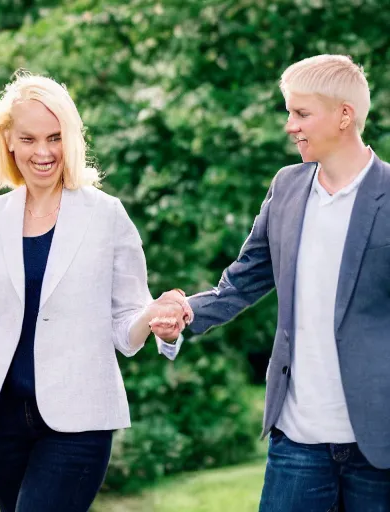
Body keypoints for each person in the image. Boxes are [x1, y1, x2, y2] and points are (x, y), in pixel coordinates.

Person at [0, 72, 189, 512]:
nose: (43, 152)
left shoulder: (106, 215)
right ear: (8, 142)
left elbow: (126, 321)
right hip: (2, 424)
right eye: (30, 138)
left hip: (79, 421)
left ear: (70, 140)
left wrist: (157, 321)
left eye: (54, 138)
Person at [152, 55, 390, 511]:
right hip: (296, 441)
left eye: (301, 113)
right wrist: (182, 315)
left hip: (378, 447)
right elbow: (242, 281)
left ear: (344, 115)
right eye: (288, 112)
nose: (289, 125)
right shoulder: (286, 188)